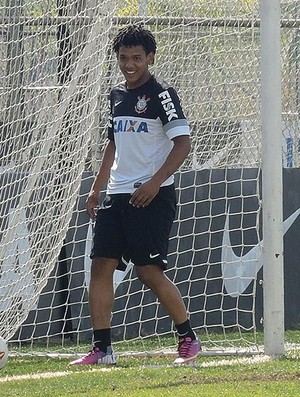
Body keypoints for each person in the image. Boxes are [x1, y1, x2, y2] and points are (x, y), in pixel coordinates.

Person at [69, 24, 200, 366]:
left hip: (151, 197)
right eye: (124, 58)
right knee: (100, 268)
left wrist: (155, 182)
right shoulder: (116, 95)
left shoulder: (163, 95)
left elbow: (182, 143)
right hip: (116, 194)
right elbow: (113, 143)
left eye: (137, 58)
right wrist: (97, 187)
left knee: (148, 272)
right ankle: (102, 349)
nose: (130, 64)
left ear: (150, 58)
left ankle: (188, 338)